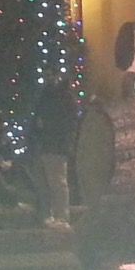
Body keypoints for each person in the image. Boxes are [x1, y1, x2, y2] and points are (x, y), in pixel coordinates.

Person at [26, 76, 80, 228]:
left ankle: (60, 216)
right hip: (47, 145)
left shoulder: (58, 98)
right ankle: (51, 214)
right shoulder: (51, 97)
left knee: (56, 182)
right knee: (48, 183)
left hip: (54, 146)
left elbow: (68, 123)